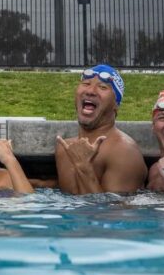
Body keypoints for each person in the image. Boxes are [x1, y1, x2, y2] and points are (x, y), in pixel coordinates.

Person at [55, 64, 147, 195]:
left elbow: (113, 211)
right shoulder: (64, 148)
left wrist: (84, 168)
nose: (91, 91)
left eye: (103, 87)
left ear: (116, 104)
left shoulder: (124, 152)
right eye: (86, 83)